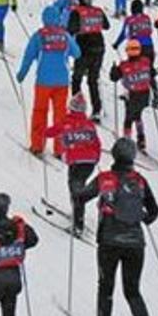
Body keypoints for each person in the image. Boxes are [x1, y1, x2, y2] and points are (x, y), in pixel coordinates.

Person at [72, 137, 158, 316]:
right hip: (136, 243)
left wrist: (76, 185)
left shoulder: (104, 179)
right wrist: (141, 219)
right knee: (133, 290)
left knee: (106, 286)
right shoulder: (139, 180)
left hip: (109, 241)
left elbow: (81, 197)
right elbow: (154, 211)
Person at [18, 4, 81, 156]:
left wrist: (22, 73)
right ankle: (59, 148)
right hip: (62, 81)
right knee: (60, 115)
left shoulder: (39, 35)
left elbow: (29, 56)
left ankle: (37, 145)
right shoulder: (64, 35)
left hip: (43, 81)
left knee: (40, 112)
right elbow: (77, 53)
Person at [44, 93, 101, 236]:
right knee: (79, 187)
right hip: (90, 162)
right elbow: (97, 143)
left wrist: (41, 131)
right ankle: (77, 211)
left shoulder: (66, 121)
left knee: (76, 190)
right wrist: (95, 159)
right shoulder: (89, 124)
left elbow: (52, 132)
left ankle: (78, 224)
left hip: (76, 161)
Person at [68, 0, 111, 120]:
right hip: (99, 47)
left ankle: (77, 108)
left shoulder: (77, 12)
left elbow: (71, 29)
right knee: (93, 80)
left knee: (77, 79)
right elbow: (107, 26)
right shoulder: (98, 11)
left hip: (84, 48)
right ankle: (96, 110)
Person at [109, 39, 156, 152]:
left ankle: (127, 141)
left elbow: (114, 78)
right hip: (145, 94)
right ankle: (141, 139)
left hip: (132, 95)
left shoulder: (124, 66)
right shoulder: (146, 61)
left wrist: (113, 70)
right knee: (138, 115)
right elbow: (153, 73)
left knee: (128, 119)